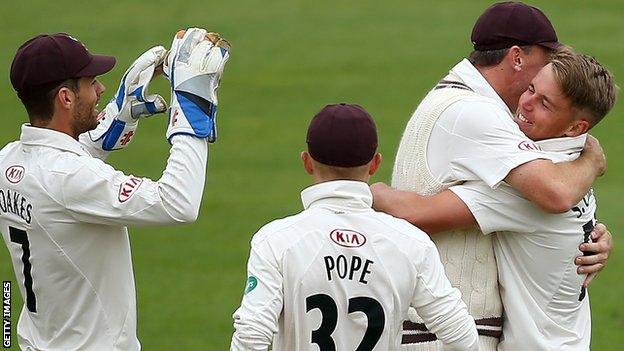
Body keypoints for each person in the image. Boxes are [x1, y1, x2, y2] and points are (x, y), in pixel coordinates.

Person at [378, 2, 612, 350]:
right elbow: (558, 194)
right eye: (534, 85)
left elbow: (555, 195)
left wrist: (363, 190)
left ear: (575, 127)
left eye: (544, 102)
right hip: (447, 333)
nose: (527, 101)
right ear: (517, 57)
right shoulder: (542, 157)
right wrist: (591, 158)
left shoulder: (528, 184)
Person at [0, 28, 230, 350]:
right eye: (90, 84)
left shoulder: (8, 162)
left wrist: (117, 116)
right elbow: (179, 203)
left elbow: (61, 167)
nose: (100, 89)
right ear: (65, 98)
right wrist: (192, 106)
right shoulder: (67, 178)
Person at [230, 104, 479, 351]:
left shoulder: (276, 241)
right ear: (375, 164)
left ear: (306, 162)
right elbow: (463, 338)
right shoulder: (412, 244)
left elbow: (252, 336)